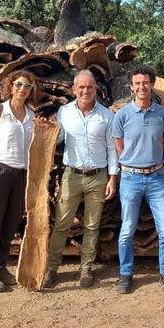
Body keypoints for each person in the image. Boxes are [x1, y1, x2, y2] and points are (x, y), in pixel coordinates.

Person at [43, 70, 119, 289]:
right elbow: (57, 140)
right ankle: (51, 268)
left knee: (92, 226)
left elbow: (112, 149)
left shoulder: (107, 116)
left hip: (98, 177)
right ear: (73, 89)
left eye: (90, 87)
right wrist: (46, 130)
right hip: (72, 175)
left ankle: (86, 269)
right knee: (61, 224)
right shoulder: (64, 112)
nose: (86, 91)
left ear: (96, 89)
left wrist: (113, 177)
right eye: (81, 87)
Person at [0, 71, 44, 293]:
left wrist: (43, 128)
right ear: (11, 86)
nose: (23, 89)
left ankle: (1, 266)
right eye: (19, 84)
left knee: (11, 224)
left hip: (21, 175)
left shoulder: (32, 116)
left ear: (32, 91)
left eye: (28, 86)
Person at [111, 65, 164, 294]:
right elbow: (119, 147)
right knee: (127, 229)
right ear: (132, 86)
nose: (141, 86)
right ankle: (125, 274)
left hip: (157, 178)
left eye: (145, 82)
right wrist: (132, 163)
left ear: (152, 85)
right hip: (130, 178)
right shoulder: (122, 115)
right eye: (137, 83)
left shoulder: (162, 114)